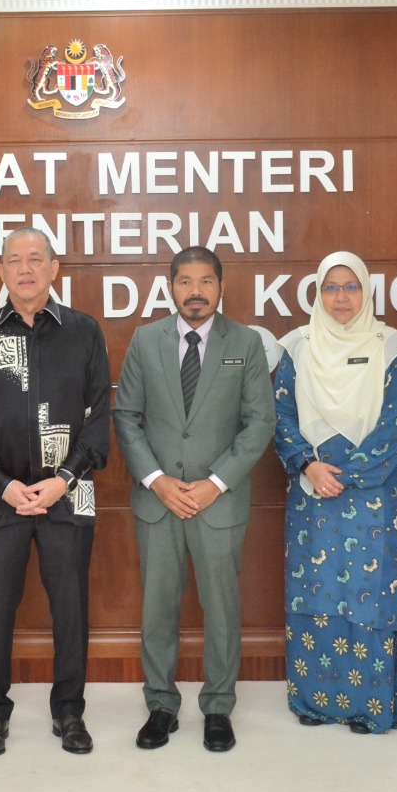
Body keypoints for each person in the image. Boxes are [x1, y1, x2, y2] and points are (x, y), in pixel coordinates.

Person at [0, 227, 110, 758]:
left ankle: (69, 712)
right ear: (0, 272)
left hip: (69, 493)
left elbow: (99, 416)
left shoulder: (83, 332)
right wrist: (2, 484)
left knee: (70, 609)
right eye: (15, 260)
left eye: (36, 259)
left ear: (54, 268)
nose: (25, 269)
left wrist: (64, 478)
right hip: (2, 497)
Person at [113, 246, 275, 752]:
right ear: (171, 287)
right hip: (158, 501)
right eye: (185, 281)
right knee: (158, 608)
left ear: (221, 287)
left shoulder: (245, 342)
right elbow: (126, 416)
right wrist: (157, 480)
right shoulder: (146, 340)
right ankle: (160, 705)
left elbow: (259, 423)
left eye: (206, 281)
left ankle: (218, 707)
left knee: (221, 609)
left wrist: (215, 483)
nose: (196, 291)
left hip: (218, 502)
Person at [271, 251, 397, 734]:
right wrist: (309, 465)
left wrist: (345, 475)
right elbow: (281, 415)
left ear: (366, 292)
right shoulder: (297, 347)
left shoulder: (393, 348)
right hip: (311, 492)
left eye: (351, 286)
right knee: (315, 592)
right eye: (330, 287)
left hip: (373, 496)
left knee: (368, 595)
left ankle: (369, 703)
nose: (341, 297)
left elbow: (396, 425)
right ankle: (315, 700)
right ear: (318, 293)